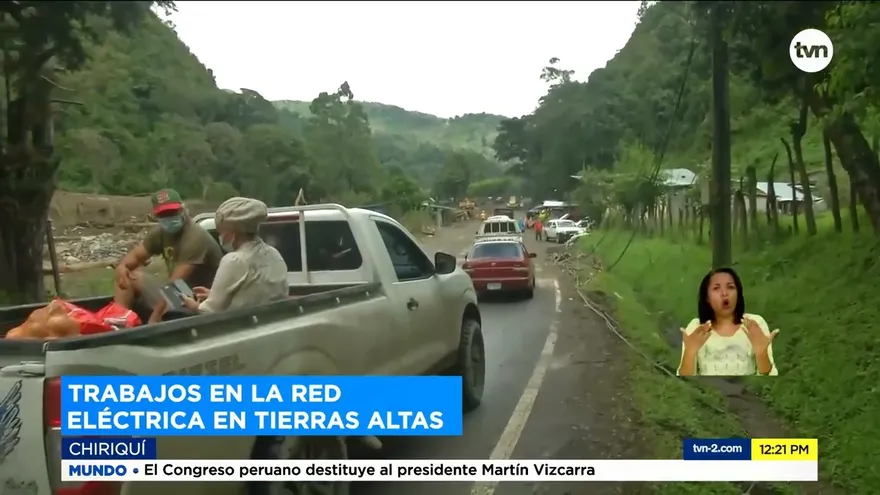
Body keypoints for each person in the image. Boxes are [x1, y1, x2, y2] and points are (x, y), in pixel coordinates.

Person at [114, 189, 224, 323]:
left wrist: (155, 319)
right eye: (164, 214)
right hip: (181, 291)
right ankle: (119, 322)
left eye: (172, 212)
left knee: (168, 296)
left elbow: (175, 284)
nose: (169, 218)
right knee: (129, 276)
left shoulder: (195, 237)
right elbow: (135, 257)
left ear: (182, 209)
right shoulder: (161, 233)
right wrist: (121, 267)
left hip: (200, 296)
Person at [180, 197, 288, 314]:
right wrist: (214, 295)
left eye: (221, 233)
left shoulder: (234, 260)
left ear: (231, 233)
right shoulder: (274, 253)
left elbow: (208, 312)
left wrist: (194, 306)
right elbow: (253, 293)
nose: (220, 237)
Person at [677, 267, 779, 376]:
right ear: (707, 297)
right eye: (716, 288)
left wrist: (761, 353)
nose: (724, 293)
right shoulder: (697, 328)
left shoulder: (754, 324)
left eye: (730, 287)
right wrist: (689, 353)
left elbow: (768, 376)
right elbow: (685, 380)